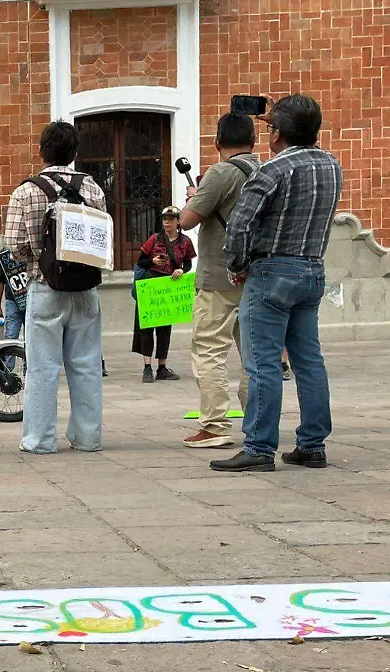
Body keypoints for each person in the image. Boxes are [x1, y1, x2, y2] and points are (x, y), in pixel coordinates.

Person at [211, 95, 342, 473]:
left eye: (270, 128)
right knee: (308, 360)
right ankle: (313, 443)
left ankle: (259, 446)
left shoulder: (271, 170)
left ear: (278, 133)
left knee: (262, 363)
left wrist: (237, 265)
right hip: (312, 269)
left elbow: (239, 225)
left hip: (270, 271)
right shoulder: (332, 165)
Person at [5, 120, 108, 455]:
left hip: (44, 285)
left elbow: (14, 245)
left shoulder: (26, 191)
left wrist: (38, 259)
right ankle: (87, 437)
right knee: (87, 363)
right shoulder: (94, 189)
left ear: (41, 151)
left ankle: (40, 440)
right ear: (75, 153)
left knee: (42, 368)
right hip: (86, 287)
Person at [179, 113, 261, 448]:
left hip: (218, 275)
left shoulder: (221, 172)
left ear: (217, 142)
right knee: (254, 355)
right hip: (257, 275)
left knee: (210, 349)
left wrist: (193, 198)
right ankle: (257, 419)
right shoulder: (268, 169)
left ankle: (214, 425)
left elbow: (186, 220)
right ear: (254, 141)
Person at [132, 206, 195, 383]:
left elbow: (189, 264)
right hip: (152, 285)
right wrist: (153, 260)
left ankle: (162, 366)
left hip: (169, 286)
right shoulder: (154, 239)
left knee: (164, 329)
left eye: (170, 219)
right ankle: (146, 367)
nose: (167, 222)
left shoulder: (185, 242)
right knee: (146, 328)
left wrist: (182, 271)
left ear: (178, 222)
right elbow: (141, 261)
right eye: (164, 219)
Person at [0, 248, 28, 343]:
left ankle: (29, 358)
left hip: (32, 299)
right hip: (13, 301)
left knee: (32, 338)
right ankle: (9, 356)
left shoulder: (32, 249)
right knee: (11, 337)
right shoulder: (4, 254)